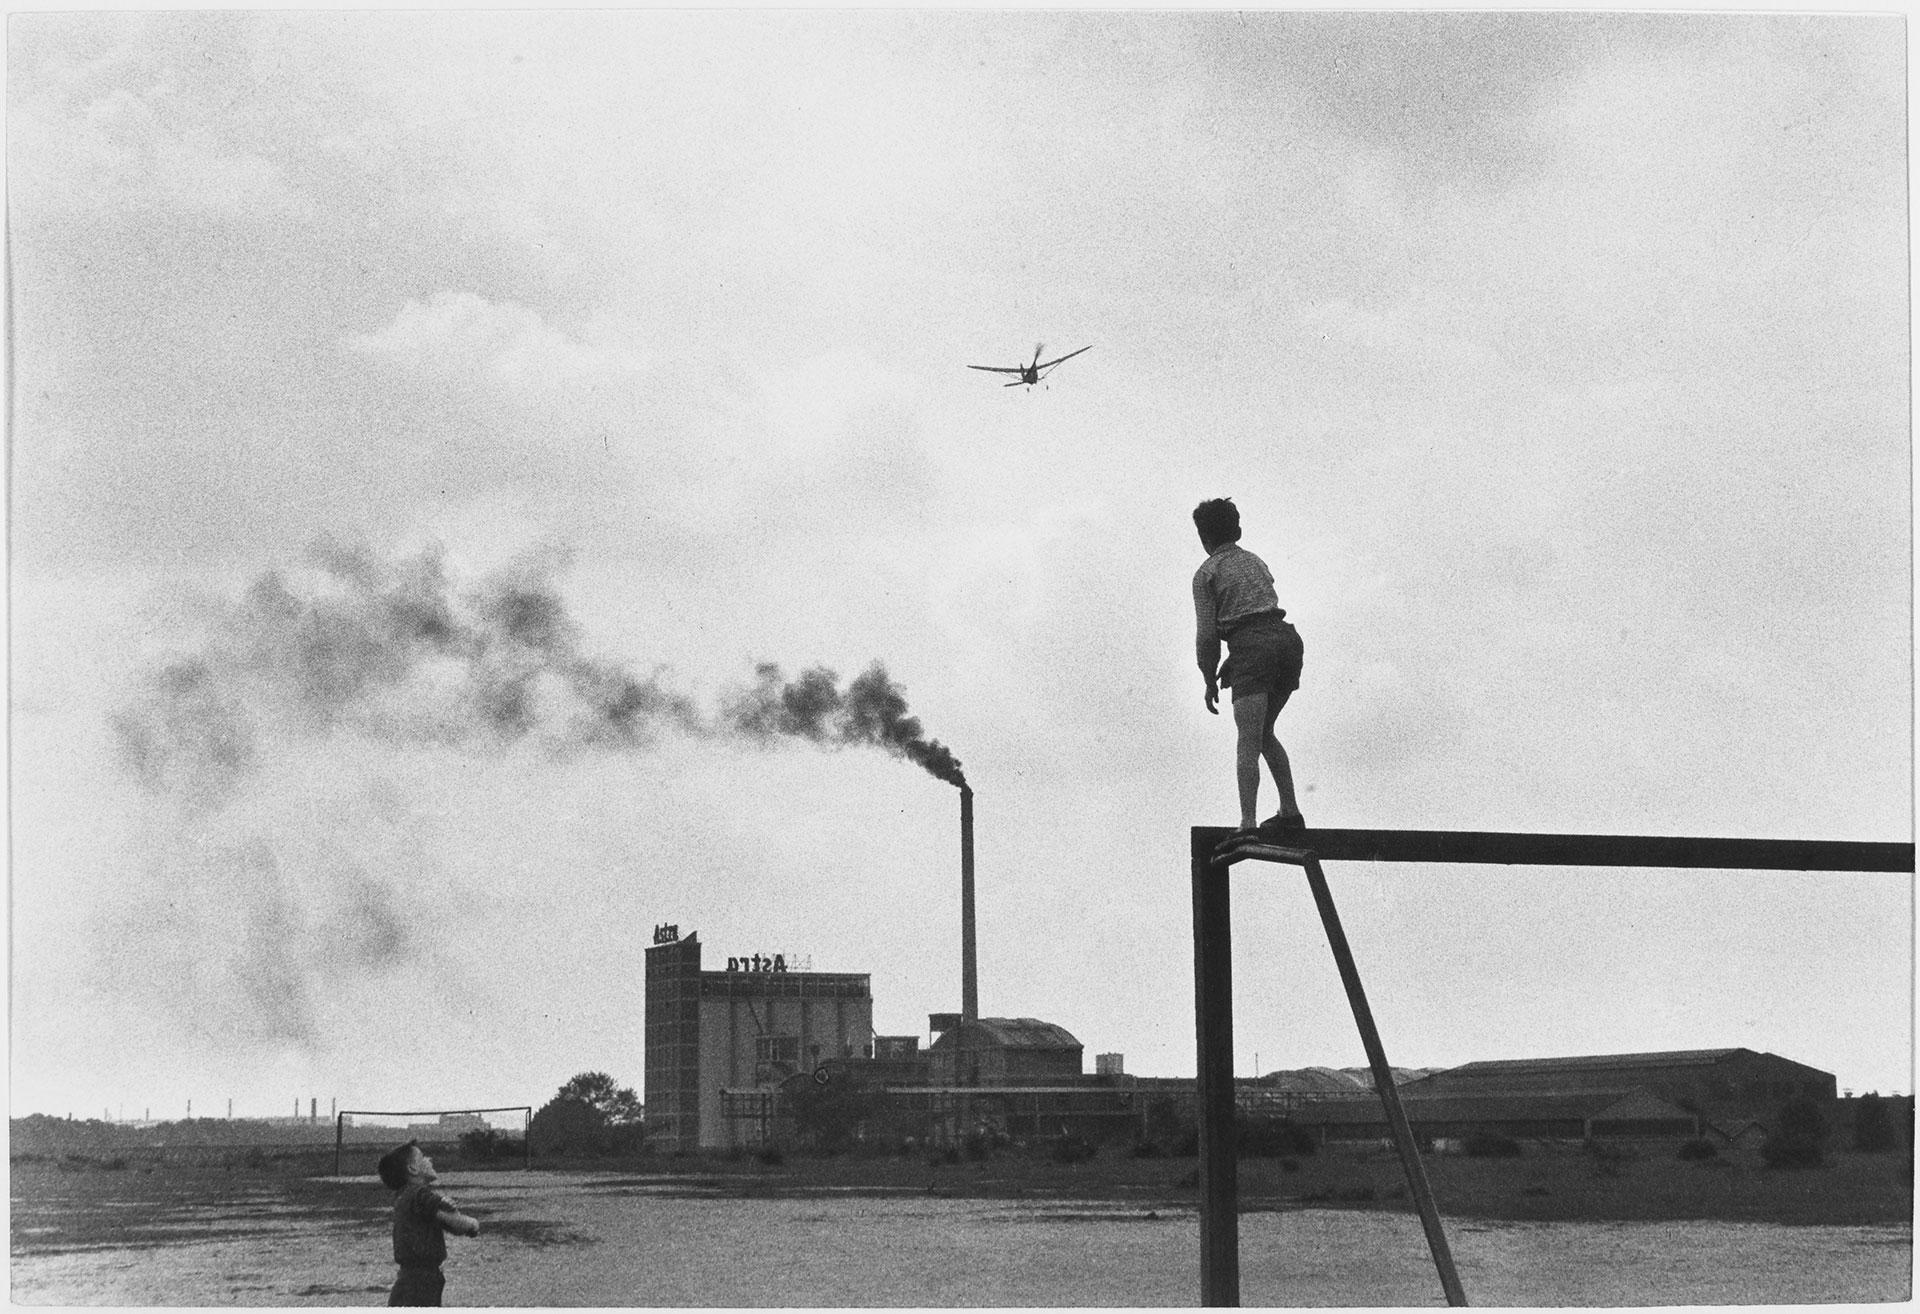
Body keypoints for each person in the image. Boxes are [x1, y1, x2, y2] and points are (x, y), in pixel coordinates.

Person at [1191, 497, 1306, 838]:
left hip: (1254, 649)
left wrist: (1208, 679)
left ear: (1203, 538)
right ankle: (1290, 810)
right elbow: (1257, 614)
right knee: (1264, 731)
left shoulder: (1206, 573)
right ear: (1237, 529)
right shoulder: (1255, 562)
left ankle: (1247, 823)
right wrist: (1238, 656)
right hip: (1287, 642)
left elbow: (1207, 637)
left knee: (1248, 739)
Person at [376, 1140, 480, 1307]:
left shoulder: (403, 1196)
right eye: (423, 1157)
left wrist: (448, 1211)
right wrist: (473, 1223)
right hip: (423, 1281)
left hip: (407, 1278)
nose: (429, 1159)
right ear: (413, 1168)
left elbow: (441, 1219)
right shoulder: (421, 1195)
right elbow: (457, 1224)